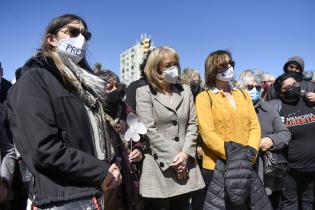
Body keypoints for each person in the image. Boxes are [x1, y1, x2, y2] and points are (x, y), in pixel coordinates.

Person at [7, 14, 122, 209]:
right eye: (73, 32)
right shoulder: (34, 80)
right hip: (60, 199)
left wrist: (110, 165)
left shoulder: (82, 87)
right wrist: (100, 171)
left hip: (91, 192)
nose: (81, 39)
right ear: (51, 40)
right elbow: (43, 149)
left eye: (86, 35)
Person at [196, 50, 269, 209]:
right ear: (213, 68)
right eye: (224, 64)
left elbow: (254, 126)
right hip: (217, 167)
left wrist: (251, 152)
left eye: (231, 63)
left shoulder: (243, 95)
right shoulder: (204, 97)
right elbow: (208, 135)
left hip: (247, 163)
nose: (229, 67)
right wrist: (237, 156)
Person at [136, 46, 205, 210]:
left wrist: (186, 154)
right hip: (159, 167)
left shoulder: (185, 91)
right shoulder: (144, 92)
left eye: (175, 64)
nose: (173, 68)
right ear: (155, 68)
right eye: (168, 65)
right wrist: (174, 159)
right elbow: (148, 130)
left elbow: (192, 124)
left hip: (185, 165)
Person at [236, 70, 291, 209]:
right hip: (236, 173)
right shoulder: (230, 109)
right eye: (249, 87)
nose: (254, 90)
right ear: (239, 87)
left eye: (258, 87)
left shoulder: (269, 109)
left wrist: (271, 140)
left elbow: (285, 133)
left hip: (262, 176)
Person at [95, 70, 145, 210]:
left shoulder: (125, 109)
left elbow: (138, 134)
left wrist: (138, 149)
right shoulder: (93, 112)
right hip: (106, 176)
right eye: (109, 88)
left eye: (116, 86)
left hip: (128, 174)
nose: (115, 90)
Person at [271, 73, 315, 209]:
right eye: (288, 86)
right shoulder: (276, 108)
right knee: (290, 203)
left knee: (309, 202)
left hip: (313, 169)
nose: (293, 88)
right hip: (289, 170)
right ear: (280, 91)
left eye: (295, 84)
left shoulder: (310, 103)